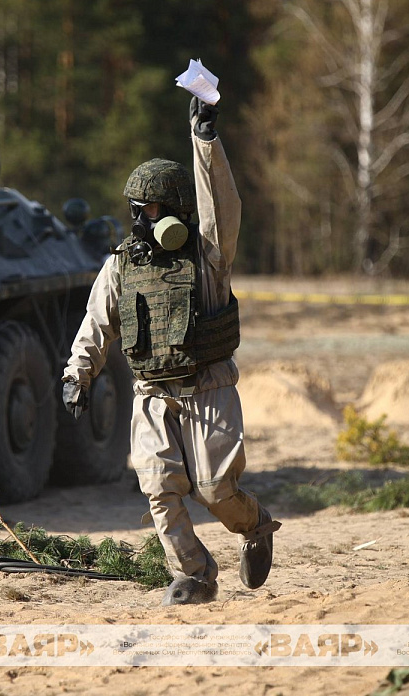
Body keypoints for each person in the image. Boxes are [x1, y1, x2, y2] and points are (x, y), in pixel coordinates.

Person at [62, 95, 280, 605]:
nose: (141, 219)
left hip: (208, 387)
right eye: (136, 209)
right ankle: (194, 575)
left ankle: (255, 527)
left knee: (215, 490)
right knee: (159, 488)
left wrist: (205, 141)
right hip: (152, 394)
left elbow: (222, 205)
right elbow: (97, 323)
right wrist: (77, 374)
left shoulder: (209, 257)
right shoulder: (122, 265)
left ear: (179, 212)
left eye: (152, 210)